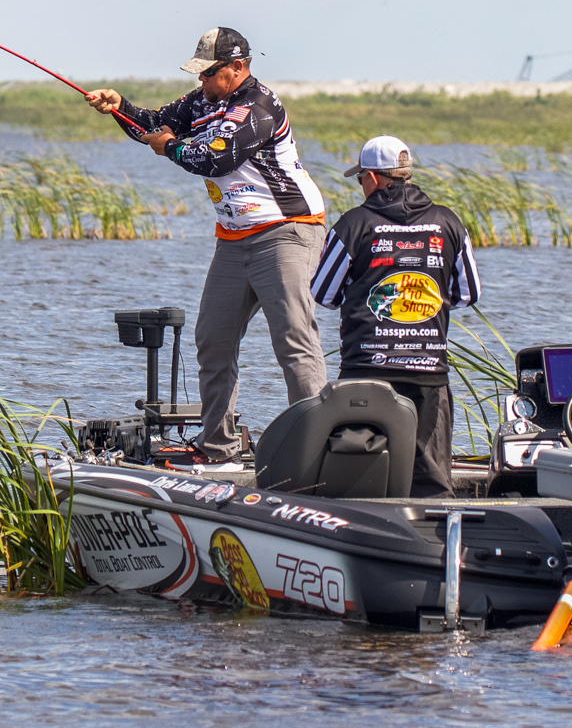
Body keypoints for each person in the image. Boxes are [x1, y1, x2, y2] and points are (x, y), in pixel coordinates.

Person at [84, 28, 329, 463]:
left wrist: (171, 148)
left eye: (210, 73)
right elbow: (153, 125)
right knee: (212, 339)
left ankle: (317, 447)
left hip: (287, 230)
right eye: (199, 74)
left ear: (238, 67)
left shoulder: (258, 107)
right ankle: (218, 446)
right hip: (234, 240)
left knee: (293, 337)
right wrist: (120, 109)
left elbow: (215, 158)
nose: (202, 82)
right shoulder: (201, 101)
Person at [309, 136, 480, 498]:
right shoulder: (449, 223)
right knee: (430, 480)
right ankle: (436, 534)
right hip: (428, 371)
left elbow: (323, 294)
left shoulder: (352, 225)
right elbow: (468, 294)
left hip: (366, 369)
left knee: (359, 472)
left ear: (371, 177)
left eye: (360, 179)